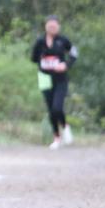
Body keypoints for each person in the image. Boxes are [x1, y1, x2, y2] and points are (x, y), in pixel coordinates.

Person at [30, 15, 77, 149]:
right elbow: (33, 58)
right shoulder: (40, 41)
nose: (52, 28)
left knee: (57, 107)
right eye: (49, 26)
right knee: (51, 109)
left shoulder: (63, 40)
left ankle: (65, 126)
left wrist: (66, 65)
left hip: (60, 79)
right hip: (44, 78)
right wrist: (43, 59)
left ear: (58, 27)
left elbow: (74, 54)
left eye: (54, 26)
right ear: (45, 27)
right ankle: (57, 137)